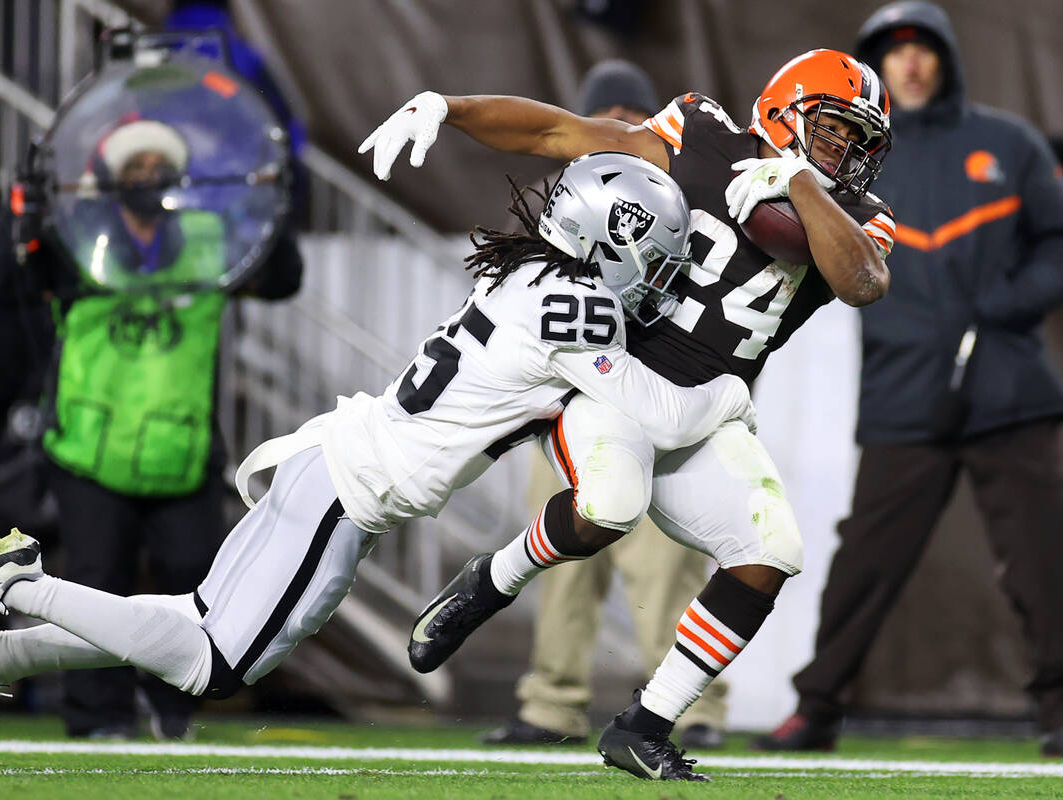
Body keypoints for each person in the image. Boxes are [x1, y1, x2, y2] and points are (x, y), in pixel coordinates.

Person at [0, 152, 757, 767]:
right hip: (350, 496)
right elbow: (659, 412)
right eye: (658, 254)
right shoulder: (576, 308)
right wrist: (733, 391)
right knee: (211, 663)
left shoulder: (525, 276)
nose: (665, 275)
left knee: (195, 619)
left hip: (336, 461)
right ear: (616, 236)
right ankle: (14, 588)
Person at [359, 47, 896, 780]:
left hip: (704, 411)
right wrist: (449, 108)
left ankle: (644, 726)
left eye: (864, 142)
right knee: (609, 505)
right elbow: (562, 136)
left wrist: (798, 178)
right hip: (614, 375)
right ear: (784, 107)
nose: (852, 154)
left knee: (771, 550)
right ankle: (496, 577)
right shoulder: (703, 133)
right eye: (838, 130)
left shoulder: (859, 215)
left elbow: (860, 281)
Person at [0, 47, 303, 741]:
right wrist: (31, 218)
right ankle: (97, 718)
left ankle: (169, 707)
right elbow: (22, 273)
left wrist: (279, 193)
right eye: (134, 167)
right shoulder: (77, 241)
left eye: (159, 166)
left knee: (196, 580)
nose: (148, 178)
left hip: (181, 447)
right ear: (107, 175)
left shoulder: (207, 240)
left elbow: (281, 277)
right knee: (96, 589)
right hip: (89, 447)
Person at [753, 1, 1063, 759]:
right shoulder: (852, 159)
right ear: (875, 64)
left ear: (944, 59)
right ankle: (815, 709)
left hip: (1008, 391)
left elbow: (1056, 242)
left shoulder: (1006, 143)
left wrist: (1003, 308)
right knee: (866, 560)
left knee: (1044, 558)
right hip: (901, 394)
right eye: (893, 50)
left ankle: (1060, 712)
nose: (911, 61)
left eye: (923, 47)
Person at [481, 59, 728, 750]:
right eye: (608, 115)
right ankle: (551, 705)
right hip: (565, 408)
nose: (620, 128)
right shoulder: (548, 197)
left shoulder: (692, 205)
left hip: (652, 403)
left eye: (632, 115)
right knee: (560, 566)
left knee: (666, 567)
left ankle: (690, 709)